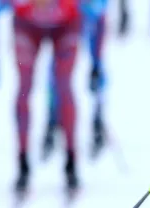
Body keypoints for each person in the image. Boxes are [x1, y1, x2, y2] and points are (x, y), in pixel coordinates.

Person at [0, 0, 82, 196]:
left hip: (66, 26)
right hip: (27, 27)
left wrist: (98, 63)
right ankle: (23, 163)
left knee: (63, 86)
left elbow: (100, 10)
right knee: (24, 87)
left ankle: (71, 161)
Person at [42, 0, 108, 158]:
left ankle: (98, 117)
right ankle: (52, 118)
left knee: (97, 66)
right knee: (56, 69)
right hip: (66, 18)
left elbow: (100, 14)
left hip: (87, 15)